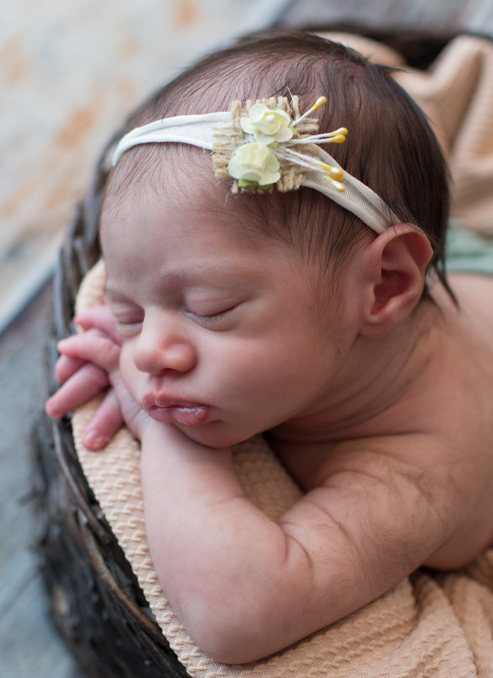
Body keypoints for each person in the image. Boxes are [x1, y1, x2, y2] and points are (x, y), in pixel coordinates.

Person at [44, 30, 493, 665]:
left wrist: (159, 426)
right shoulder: (321, 318)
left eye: (210, 310)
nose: (145, 354)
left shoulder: (419, 465)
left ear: (385, 286)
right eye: (129, 311)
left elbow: (239, 611)